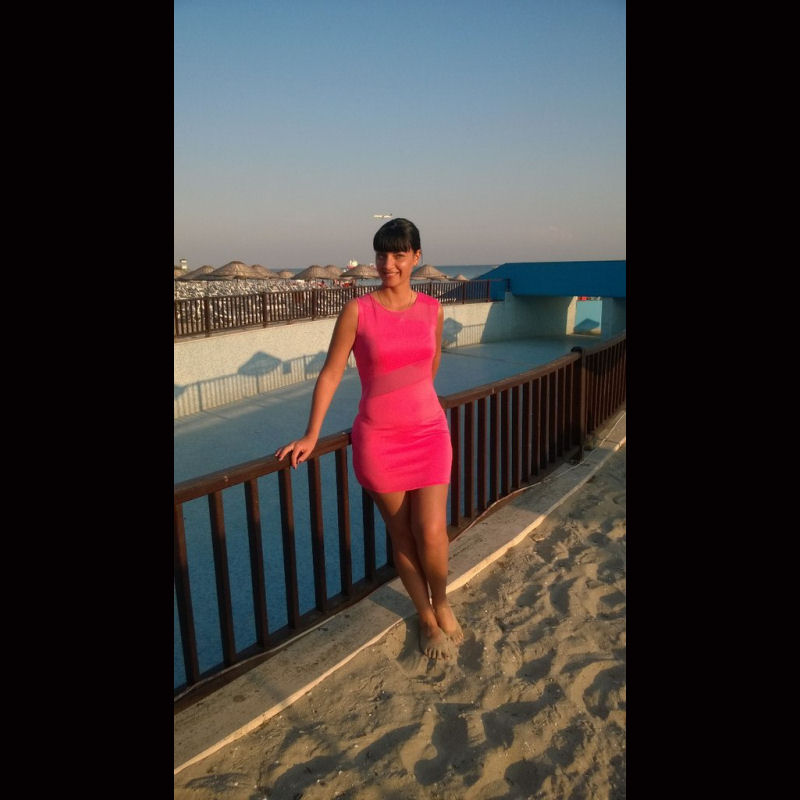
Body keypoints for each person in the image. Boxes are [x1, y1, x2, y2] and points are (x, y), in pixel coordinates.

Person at [275, 218, 463, 660]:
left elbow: (431, 364)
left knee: (432, 532)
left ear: (416, 257)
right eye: (382, 254)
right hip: (380, 440)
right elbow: (331, 373)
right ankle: (425, 616)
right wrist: (311, 433)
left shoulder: (432, 309)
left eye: (399, 254)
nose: (388, 264)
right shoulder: (358, 311)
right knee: (403, 536)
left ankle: (442, 601)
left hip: (429, 433)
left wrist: (415, 400)